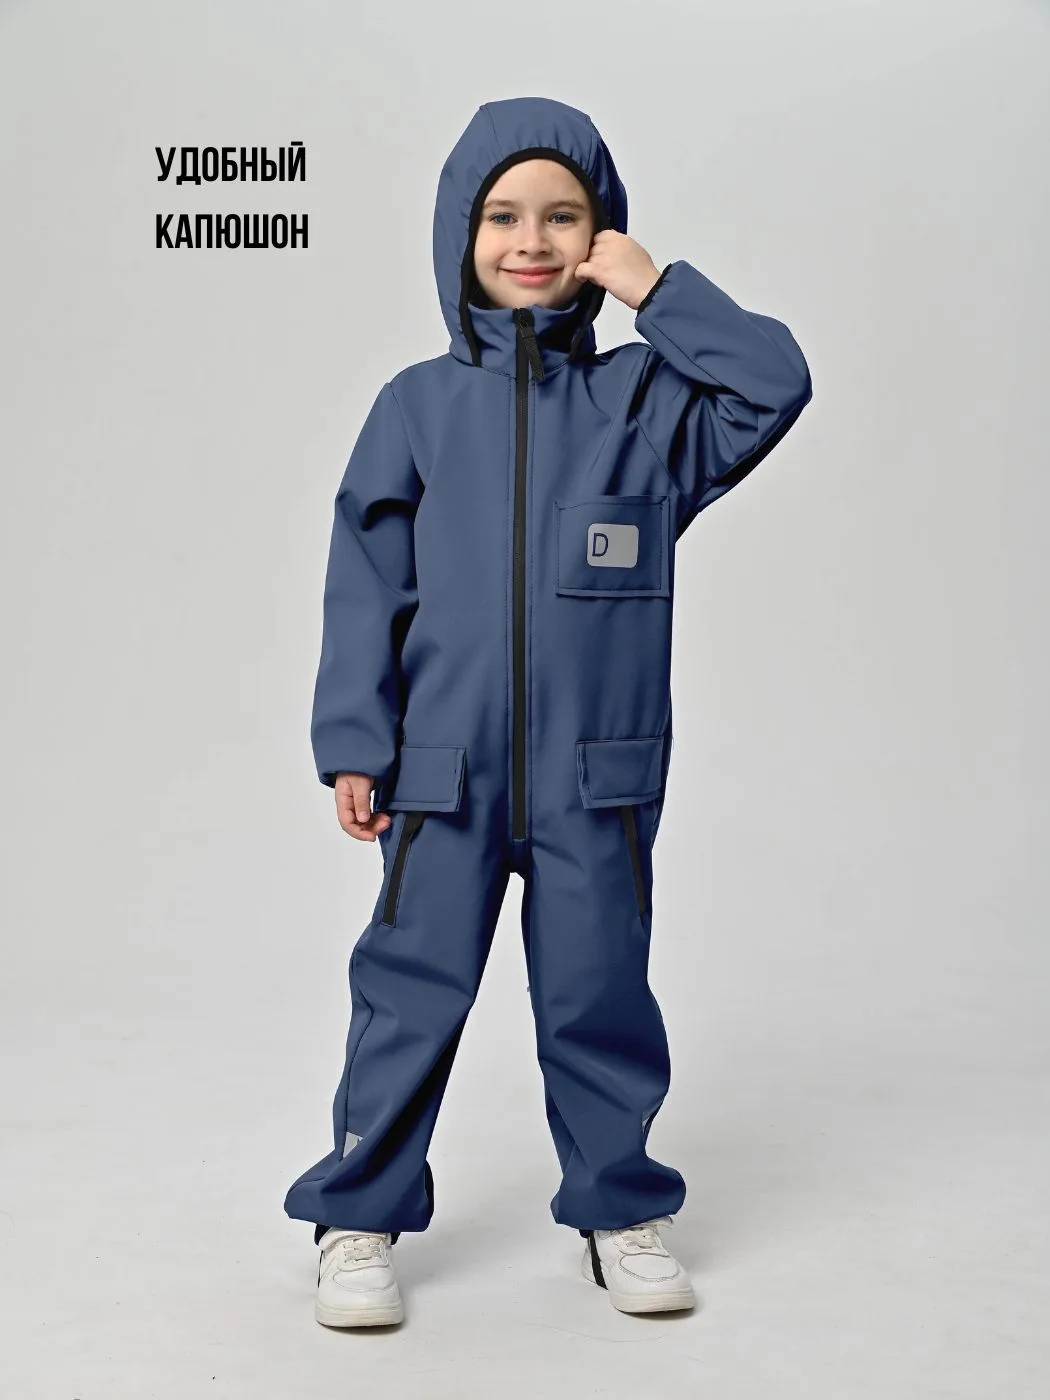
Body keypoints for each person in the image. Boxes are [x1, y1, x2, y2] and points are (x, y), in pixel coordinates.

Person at [284, 95, 813, 1329]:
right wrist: (357, 741)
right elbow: (367, 581)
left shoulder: (646, 407)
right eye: (504, 216)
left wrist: (658, 290)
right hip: (442, 771)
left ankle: (619, 1207)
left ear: (601, 233)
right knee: (409, 994)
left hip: (598, 775)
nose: (532, 240)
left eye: (564, 217)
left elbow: (776, 381)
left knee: (598, 996)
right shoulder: (416, 405)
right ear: (459, 233)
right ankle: (357, 1213)